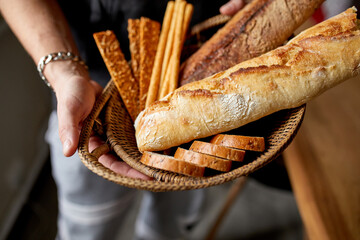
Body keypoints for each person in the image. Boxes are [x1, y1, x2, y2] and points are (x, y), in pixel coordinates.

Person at [0, 0, 246, 239]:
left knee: (172, 219)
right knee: (88, 227)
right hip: (91, 93)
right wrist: (65, 74)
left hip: (202, 59)